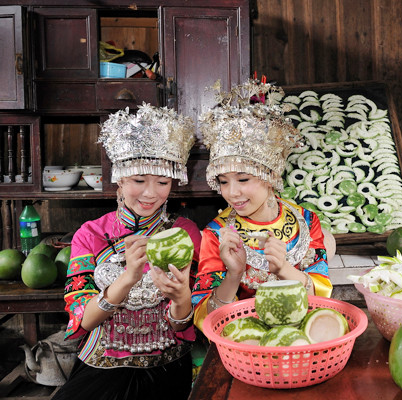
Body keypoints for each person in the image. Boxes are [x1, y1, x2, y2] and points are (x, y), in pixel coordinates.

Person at [53, 104, 201, 400]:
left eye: (162, 182)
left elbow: (183, 323)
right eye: (138, 180)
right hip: (102, 367)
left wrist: (181, 296)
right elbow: (84, 320)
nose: (150, 193)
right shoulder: (91, 234)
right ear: (119, 178)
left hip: (168, 368)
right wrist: (127, 278)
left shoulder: (185, 233)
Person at [192, 78, 333, 331]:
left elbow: (323, 300)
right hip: (244, 344)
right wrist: (234, 275)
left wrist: (284, 269)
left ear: (270, 177)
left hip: (302, 336)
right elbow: (207, 318)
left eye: (243, 179)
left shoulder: (307, 221)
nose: (232, 193)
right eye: (223, 182)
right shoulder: (217, 234)